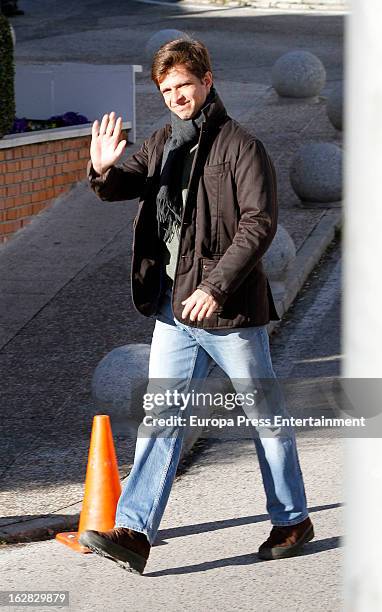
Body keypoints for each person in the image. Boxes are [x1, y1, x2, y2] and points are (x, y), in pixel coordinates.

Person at [79, 38, 314, 574]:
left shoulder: (241, 147)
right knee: (161, 417)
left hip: (227, 313)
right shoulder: (164, 140)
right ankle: (135, 531)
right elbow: (126, 185)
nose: (176, 96)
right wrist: (104, 171)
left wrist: (216, 287)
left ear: (208, 80)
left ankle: (293, 517)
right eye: (166, 89)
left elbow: (258, 224)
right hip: (173, 310)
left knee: (266, 418)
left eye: (184, 85)